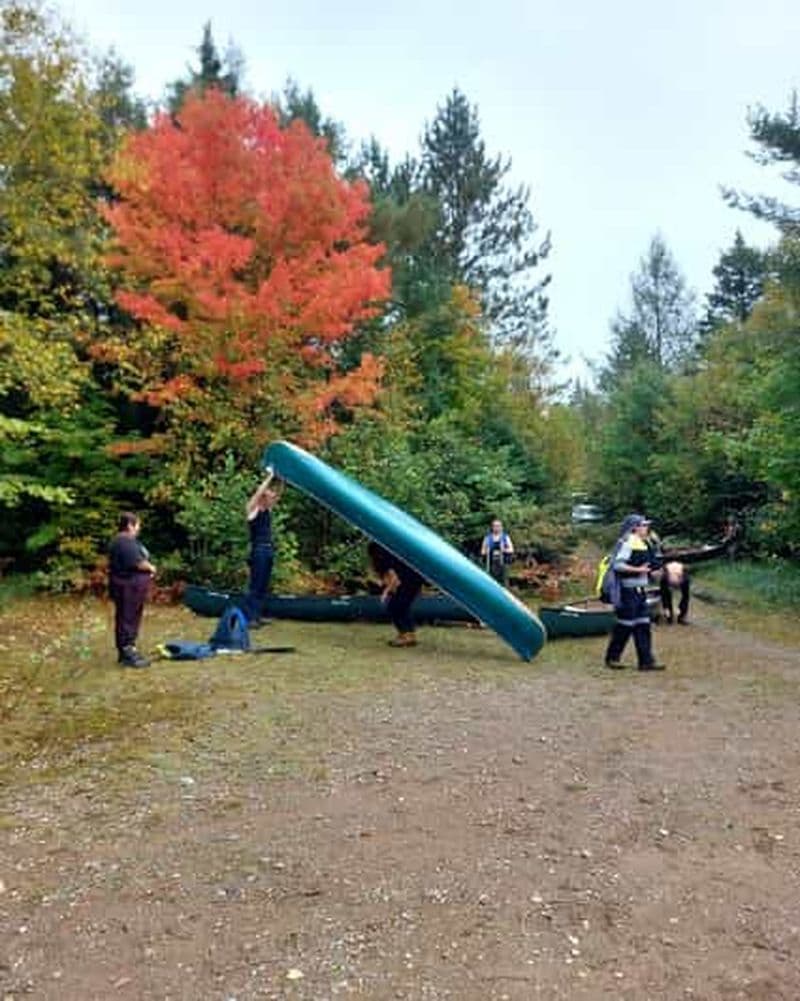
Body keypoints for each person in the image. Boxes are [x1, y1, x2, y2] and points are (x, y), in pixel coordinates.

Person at [604, 514, 666, 671]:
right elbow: (618, 565)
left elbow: (650, 564)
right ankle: (612, 658)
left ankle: (646, 662)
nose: (646, 528)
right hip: (627, 592)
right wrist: (639, 570)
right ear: (635, 527)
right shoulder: (627, 542)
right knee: (625, 626)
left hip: (640, 591)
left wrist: (652, 572)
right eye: (644, 525)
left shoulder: (644, 544)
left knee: (643, 625)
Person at [108, 512, 156, 668]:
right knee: (127, 618)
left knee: (129, 617)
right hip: (127, 587)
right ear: (129, 525)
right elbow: (138, 563)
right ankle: (127, 652)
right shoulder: (124, 541)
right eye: (137, 525)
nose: (139, 529)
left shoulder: (125, 541)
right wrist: (151, 567)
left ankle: (128, 651)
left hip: (131, 587)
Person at [367, 541, 426, 648]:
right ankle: (409, 635)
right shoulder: (388, 553)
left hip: (409, 577)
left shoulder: (382, 561)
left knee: (394, 606)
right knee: (402, 606)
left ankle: (406, 635)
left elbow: (394, 580)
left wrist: (385, 593)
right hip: (414, 575)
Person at [242, 474, 282, 626]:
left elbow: (278, 495)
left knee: (263, 585)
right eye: (269, 496)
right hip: (258, 551)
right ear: (262, 498)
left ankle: (257, 616)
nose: (272, 498)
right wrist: (270, 477)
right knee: (255, 584)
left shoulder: (267, 510)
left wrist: (283, 478)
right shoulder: (252, 510)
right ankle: (250, 618)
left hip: (268, 551)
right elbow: (259, 492)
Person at [480, 518, 514, 586]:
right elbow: (482, 551)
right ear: (492, 527)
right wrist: (487, 551)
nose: (496, 528)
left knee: (504, 581)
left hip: (503, 563)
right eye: (495, 526)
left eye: (498, 526)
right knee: (491, 580)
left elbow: (511, 550)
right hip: (491, 563)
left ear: (501, 527)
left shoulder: (505, 537)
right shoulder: (487, 538)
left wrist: (504, 549)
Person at [660, 560, 690, 624]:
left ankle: (679, 616)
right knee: (667, 596)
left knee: (685, 596)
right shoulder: (665, 576)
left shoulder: (684, 577)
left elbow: (685, 596)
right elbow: (664, 596)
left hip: (677, 576)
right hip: (670, 575)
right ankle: (671, 616)